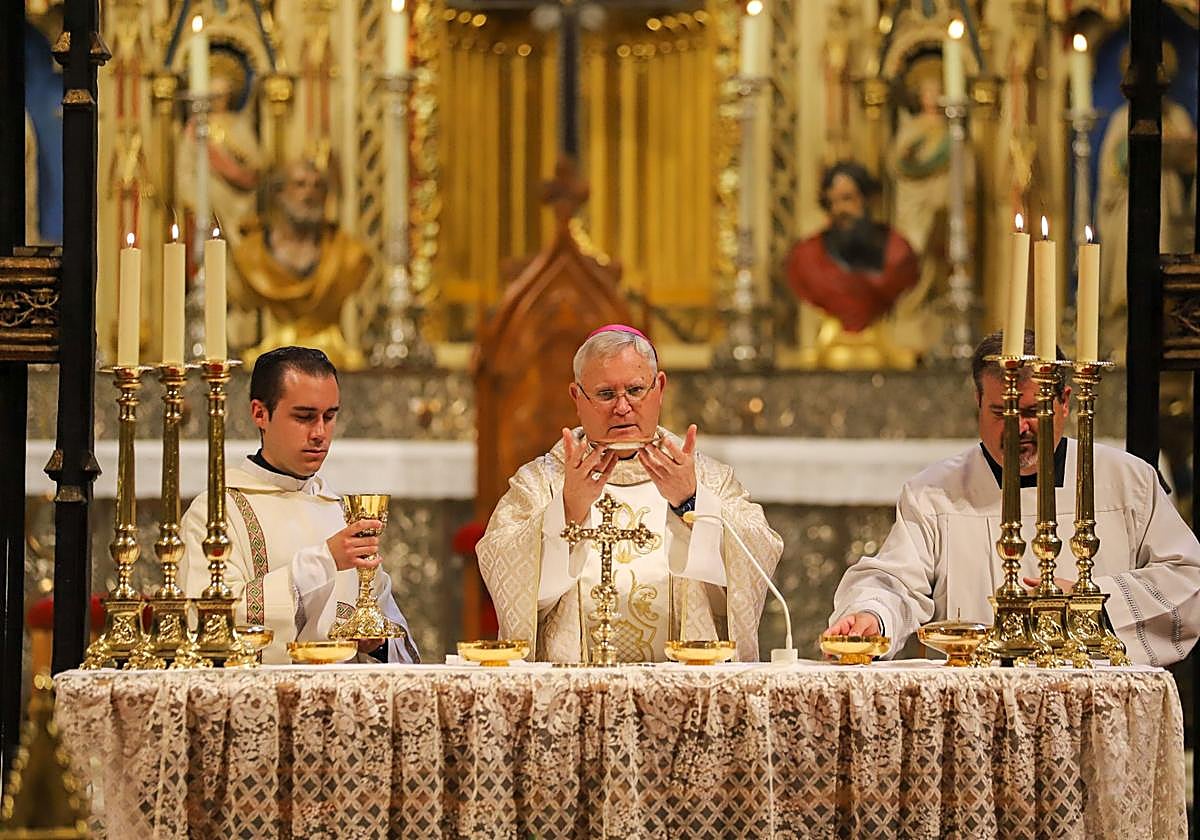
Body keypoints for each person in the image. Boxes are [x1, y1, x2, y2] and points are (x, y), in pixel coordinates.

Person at [826, 330, 1200, 666]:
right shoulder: (934, 494)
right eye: (1000, 411)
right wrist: (870, 616)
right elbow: (894, 583)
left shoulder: (1126, 481)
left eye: (1032, 411)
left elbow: (1186, 579)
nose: (1018, 427)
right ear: (977, 401)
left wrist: (1092, 600)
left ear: (1065, 401)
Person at [477, 325, 783, 663]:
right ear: (577, 398)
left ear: (660, 388)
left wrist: (691, 501)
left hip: (680, 692)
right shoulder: (539, 483)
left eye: (635, 390)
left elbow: (760, 554)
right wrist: (567, 509)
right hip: (572, 689)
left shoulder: (708, 479)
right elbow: (504, 574)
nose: (622, 407)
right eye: (606, 394)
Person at [180, 346, 419, 664]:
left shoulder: (338, 512)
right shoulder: (216, 514)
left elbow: (398, 644)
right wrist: (323, 562)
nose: (320, 433)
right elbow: (207, 624)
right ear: (260, 414)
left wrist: (377, 644)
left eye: (330, 416)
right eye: (304, 417)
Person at [232, 159, 372, 370]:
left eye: (318, 186)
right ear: (279, 193)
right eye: (300, 184)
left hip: (334, 351)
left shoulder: (349, 254)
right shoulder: (251, 254)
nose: (310, 193)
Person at [786, 161, 921, 368]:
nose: (840, 210)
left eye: (847, 199)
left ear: (867, 199)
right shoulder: (807, 258)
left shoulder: (898, 253)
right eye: (832, 202)